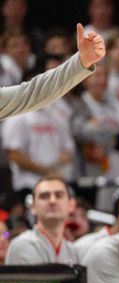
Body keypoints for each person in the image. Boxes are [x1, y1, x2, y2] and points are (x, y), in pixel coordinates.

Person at [3, 55, 76, 192]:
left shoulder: (58, 113)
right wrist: (46, 171)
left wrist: (65, 157)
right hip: (28, 184)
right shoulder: (16, 116)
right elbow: (14, 155)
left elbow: (68, 147)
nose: (39, 92)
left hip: (58, 181)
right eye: (34, 87)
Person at [5, 176, 77, 264]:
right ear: (32, 206)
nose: (52, 201)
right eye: (44, 196)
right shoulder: (22, 245)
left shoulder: (72, 251)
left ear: (71, 205)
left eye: (59, 195)